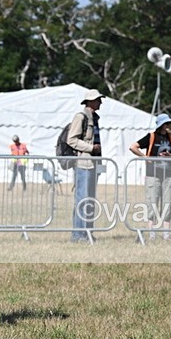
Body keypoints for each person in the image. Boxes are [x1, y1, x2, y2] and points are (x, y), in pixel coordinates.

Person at [130, 113, 171, 240]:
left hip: (168, 175)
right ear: (161, 125)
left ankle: (166, 233)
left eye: (169, 123)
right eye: (166, 123)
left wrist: (170, 156)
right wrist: (145, 157)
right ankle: (152, 233)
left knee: (168, 203)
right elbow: (133, 147)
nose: (168, 126)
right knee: (152, 202)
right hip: (153, 175)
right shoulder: (152, 136)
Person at [67, 89, 103, 242]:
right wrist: (91, 148)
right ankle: (78, 234)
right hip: (83, 164)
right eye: (98, 100)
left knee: (90, 200)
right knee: (82, 199)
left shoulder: (94, 118)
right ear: (90, 102)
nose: (100, 102)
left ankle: (87, 232)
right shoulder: (80, 117)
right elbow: (72, 140)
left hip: (93, 164)